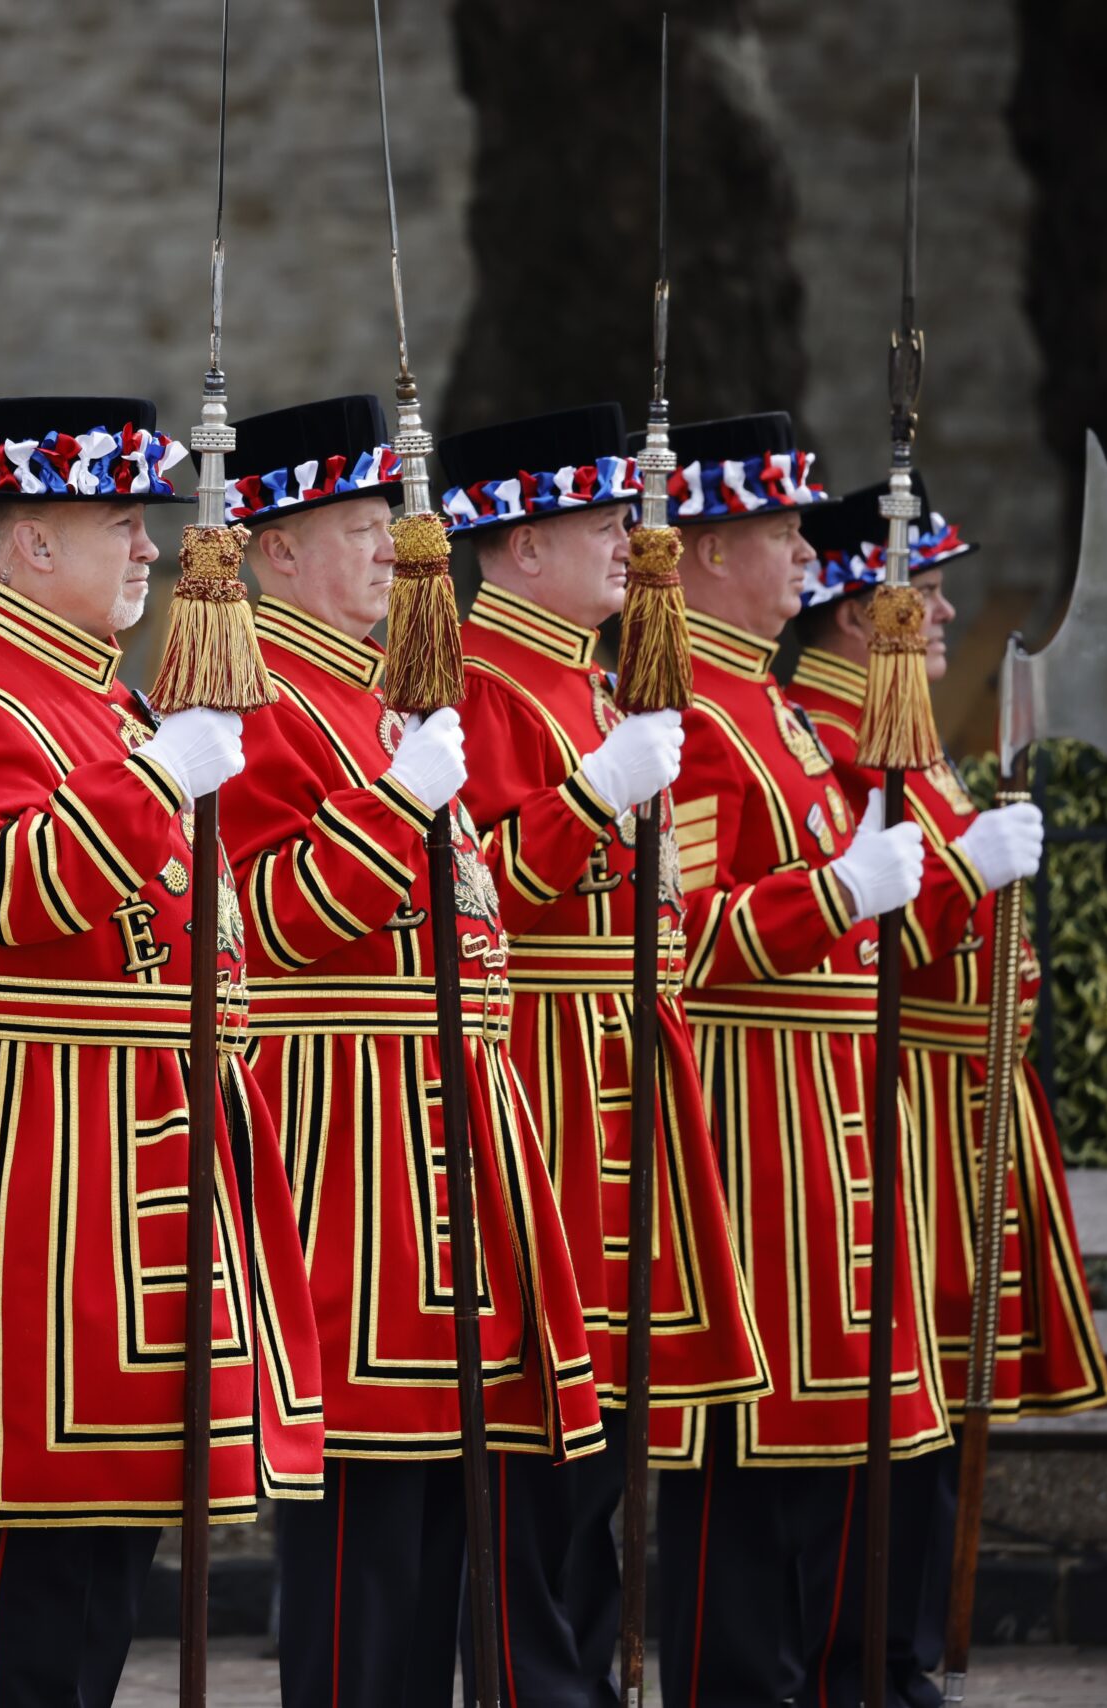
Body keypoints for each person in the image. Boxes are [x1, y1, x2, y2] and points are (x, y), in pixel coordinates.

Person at [0, 395, 323, 1708]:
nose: (149, 550)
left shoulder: (97, 698)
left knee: (105, 1561)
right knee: (42, 1556)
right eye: (120, 521)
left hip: (138, 1153)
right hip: (46, 1167)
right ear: (26, 539)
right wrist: (153, 782)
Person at [216, 394, 606, 1708]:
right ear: (274, 550)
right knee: (367, 1535)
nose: (390, 548)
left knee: (445, 1510)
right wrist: (396, 810)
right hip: (350, 1146)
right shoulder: (257, 694)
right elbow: (268, 922)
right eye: (357, 525)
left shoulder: (378, 696)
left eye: (389, 522)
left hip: (442, 1137)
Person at [431, 403, 768, 1704]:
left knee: (609, 1443)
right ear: (516, 546)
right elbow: (478, 896)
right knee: (544, 1449)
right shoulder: (476, 680)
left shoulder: (591, 682)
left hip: (623, 1071)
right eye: (599, 522)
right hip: (549, 1080)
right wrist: (589, 799)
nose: (633, 544)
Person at [789, 478, 1107, 1706]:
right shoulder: (830, 737)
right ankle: (863, 1655)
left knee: (923, 1411)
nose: (942, 611)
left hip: (952, 1102)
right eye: (918, 590)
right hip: (894, 1100)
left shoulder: (901, 737)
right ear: (844, 609)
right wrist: (962, 879)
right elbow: (857, 937)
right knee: (883, 1409)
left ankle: (898, 1651)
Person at [644, 413, 948, 1707]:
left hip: (818, 1132)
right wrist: (836, 893)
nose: (798, 552)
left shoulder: (767, 701)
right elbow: (689, 940)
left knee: (827, 1461)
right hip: (748, 1138)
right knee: (742, 1471)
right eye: (776, 530)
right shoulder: (695, 713)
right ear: (710, 551)